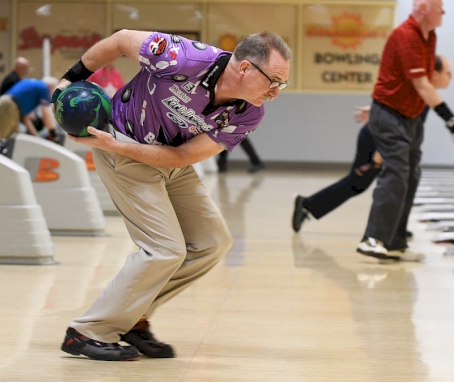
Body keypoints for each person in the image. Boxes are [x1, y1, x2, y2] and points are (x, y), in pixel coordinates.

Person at [54, 29, 291, 361]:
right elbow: (122, 40)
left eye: (281, 85)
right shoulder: (182, 57)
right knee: (164, 250)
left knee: (212, 242)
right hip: (123, 146)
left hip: (169, 159)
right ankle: (86, 332)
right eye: (274, 81)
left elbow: (181, 159)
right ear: (247, 68)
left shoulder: (248, 113)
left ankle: (133, 316)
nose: (275, 93)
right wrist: (69, 80)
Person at [355, 0, 454, 262]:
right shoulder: (406, 34)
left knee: (411, 175)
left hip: (411, 116)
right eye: (439, 7)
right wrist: (451, 120)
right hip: (391, 114)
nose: (443, 12)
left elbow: (420, 84)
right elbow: (421, 85)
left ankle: (395, 241)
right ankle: (373, 238)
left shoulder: (430, 36)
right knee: (396, 172)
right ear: (423, 8)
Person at [292, 55, 453, 233]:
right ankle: (307, 204)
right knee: (357, 183)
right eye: (448, 73)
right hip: (376, 138)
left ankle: (397, 230)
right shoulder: (420, 92)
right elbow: (397, 126)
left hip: (383, 138)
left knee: (405, 180)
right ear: (435, 74)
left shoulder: (425, 94)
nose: (450, 77)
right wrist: (378, 156)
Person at [0, 77, 57, 143]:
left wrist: (37, 138)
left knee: (13, 139)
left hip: (8, 104)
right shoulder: (44, 88)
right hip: (10, 106)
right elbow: (46, 115)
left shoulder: (34, 88)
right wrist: (53, 133)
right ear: (51, 87)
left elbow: (26, 119)